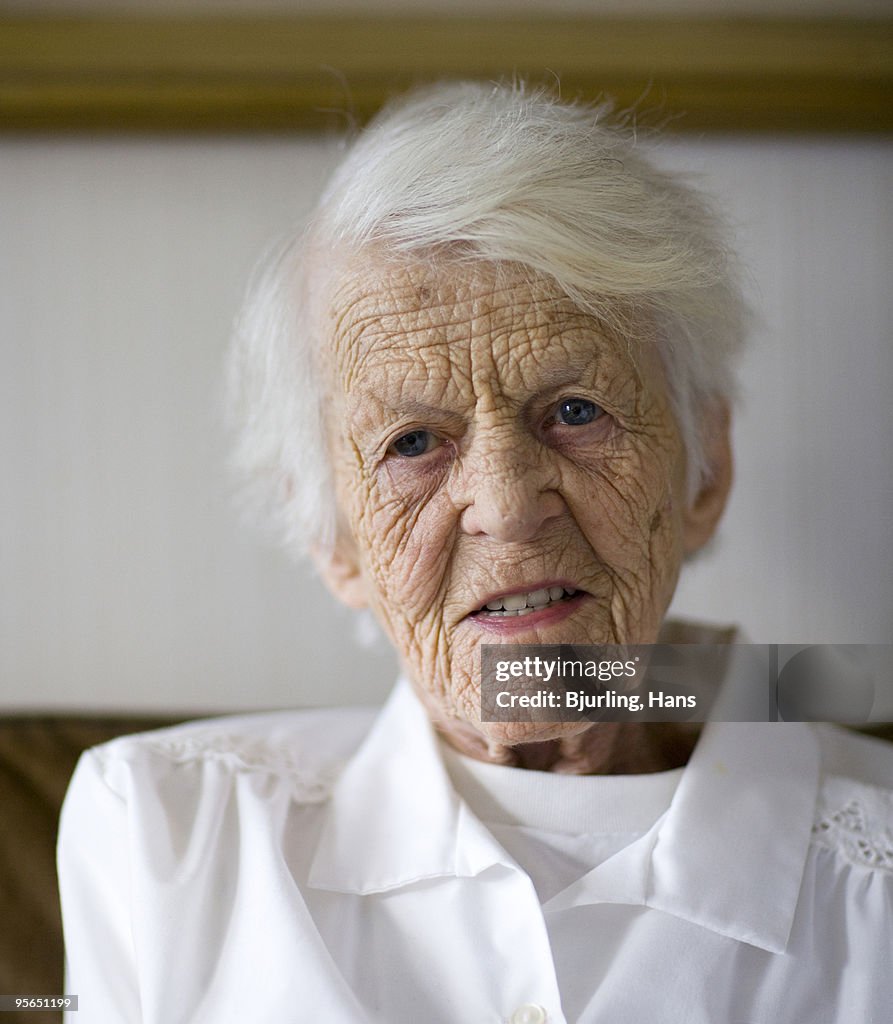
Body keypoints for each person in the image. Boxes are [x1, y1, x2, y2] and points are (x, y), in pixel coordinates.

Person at [58, 81, 892, 1023]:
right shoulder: (165, 835)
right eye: (412, 442)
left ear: (703, 471)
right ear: (332, 538)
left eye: (576, 412)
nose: (506, 507)